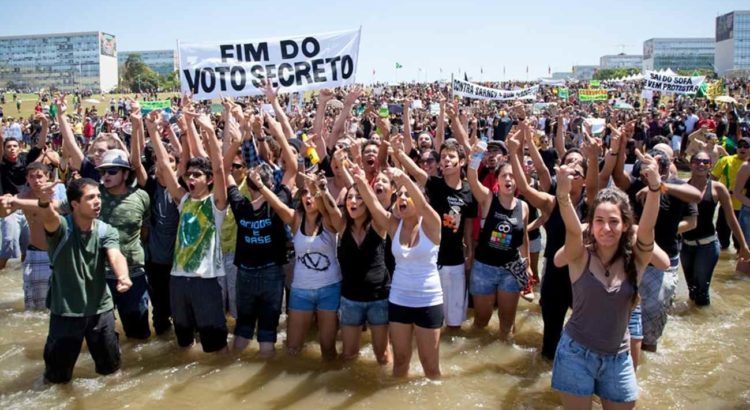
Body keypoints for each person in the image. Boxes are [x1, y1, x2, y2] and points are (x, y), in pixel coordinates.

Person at [550, 150, 661, 409]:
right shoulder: (579, 255)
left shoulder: (637, 258)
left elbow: (647, 229)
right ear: (591, 224)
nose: (606, 228)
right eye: (599, 221)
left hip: (618, 358)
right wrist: (563, 195)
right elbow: (572, 230)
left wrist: (655, 188)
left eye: (614, 221)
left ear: (625, 225)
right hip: (575, 353)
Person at [148, 109, 229, 354]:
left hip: (206, 281)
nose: (190, 178)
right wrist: (152, 130)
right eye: (188, 175)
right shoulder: (183, 201)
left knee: (215, 345)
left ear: (209, 180)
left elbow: (220, 169)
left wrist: (209, 132)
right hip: (178, 279)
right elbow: (164, 166)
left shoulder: (216, 204)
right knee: (183, 342)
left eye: (197, 175)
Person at [39, 177, 132, 383]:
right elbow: (49, 219)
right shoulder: (61, 228)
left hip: (101, 310)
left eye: (98, 196)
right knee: (57, 380)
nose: (98, 201)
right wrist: (44, 202)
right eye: (90, 198)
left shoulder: (105, 230)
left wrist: (123, 276)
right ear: (74, 204)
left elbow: (115, 254)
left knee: (112, 374)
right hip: (65, 312)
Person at [354, 163, 443, 379]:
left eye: (407, 195)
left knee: (430, 367)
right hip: (399, 299)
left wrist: (403, 178)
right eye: (399, 195)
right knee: (400, 363)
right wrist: (360, 180)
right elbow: (373, 205)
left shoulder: (432, 224)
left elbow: (422, 206)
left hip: (428, 300)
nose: (402, 198)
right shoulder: (394, 225)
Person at [395, 138, 476, 330]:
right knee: (430, 322)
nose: (446, 160)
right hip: (431, 262)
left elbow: (468, 227)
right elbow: (416, 172)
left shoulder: (469, 192)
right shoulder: (435, 185)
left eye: (451, 156)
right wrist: (398, 153)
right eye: (443, 156)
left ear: (461, 162)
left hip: (456, 263)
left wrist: (470, 252)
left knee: (454, 323)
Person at [467, 141, 531, 340]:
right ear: (498, 179)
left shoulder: (523, 207)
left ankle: (505, 350)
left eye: (512, 176)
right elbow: (471, 178)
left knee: (507, 325)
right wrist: (476, 157)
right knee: (481, 321)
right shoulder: (488, 199)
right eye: (504, 176)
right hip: (484, 268)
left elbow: (523, 238)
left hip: (511, 270)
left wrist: (527, 264)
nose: (509, 179)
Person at [337, 166, 392, 364]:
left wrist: (361, 181)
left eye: (358, 198)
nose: (353, 201)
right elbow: (326, 204)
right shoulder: (342, 225)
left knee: (383, 356)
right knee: (348, 355)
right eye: (350, 197)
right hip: (350, 298)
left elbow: (375, 205)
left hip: (378, 297)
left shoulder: (378, 224)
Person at [95, 148, 151, 339]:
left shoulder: (141, 196)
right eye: (103, 171)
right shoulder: (93, 195)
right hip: (99, 274)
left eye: (112, 171)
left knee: (139, 335)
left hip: (134, 273)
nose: (106, 175)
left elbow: (145, 230)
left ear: (126, 174)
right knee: (101, 334)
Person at [682, 150, 750, 306]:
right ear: (690, 164)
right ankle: (695, 317)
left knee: (701, 292)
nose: (701, 164)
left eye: (705, 162)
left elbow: (731, 219)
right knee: (692, 290)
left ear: (710, 166)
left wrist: (743, 246)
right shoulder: (682, 186)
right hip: (686, 245)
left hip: (708, 246)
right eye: (697, 161)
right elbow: (663, 191)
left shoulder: (718, 188)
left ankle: (702, 318)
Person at [0, 162, 66, 309]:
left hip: (59, 252)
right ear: (27, 179)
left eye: (40, 176)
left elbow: (63, 208)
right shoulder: (23, 195)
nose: (36, 180)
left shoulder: (58, 191)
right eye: (32, 177)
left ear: (47, 176)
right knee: (34, 306)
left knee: (62, 301)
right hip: (36, 252)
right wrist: (2, 203)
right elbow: (4, 213)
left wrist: (18, 202)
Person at [0, 113, 46, 269]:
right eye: (8, 147)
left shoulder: (25, 159)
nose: (12, 149)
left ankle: (21, 273)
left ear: (20, 148)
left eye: (14, 146)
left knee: (28, 246)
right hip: (9, 208)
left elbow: (40, 145)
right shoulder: (1, 163)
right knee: (8, 244)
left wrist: (45, 124)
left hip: (26, 206)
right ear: (4, 149)